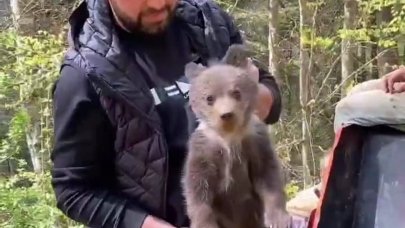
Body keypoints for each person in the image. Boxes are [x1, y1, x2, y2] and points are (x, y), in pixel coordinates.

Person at [50, 0, 282, 228]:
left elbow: (270, 100)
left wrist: (253, 97)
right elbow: (73, 190)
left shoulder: (208, 23)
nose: (158, 4)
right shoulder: (86, 73)